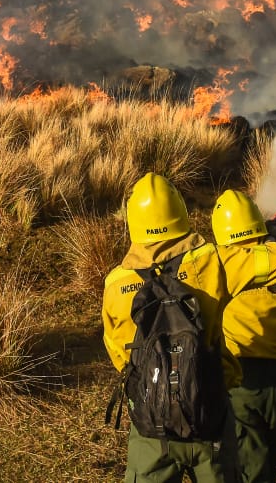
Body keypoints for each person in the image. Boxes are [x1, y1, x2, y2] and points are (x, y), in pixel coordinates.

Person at [103, 173, 241, 483]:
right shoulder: (211, 261)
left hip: (151, 423)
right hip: (209, 413)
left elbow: (118, 353)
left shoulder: (115, 284)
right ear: (179, 210)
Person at [211, 189, 276, 483]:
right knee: (257, 461)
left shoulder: (217, 260)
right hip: (264, 377)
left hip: (250, 377)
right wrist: (275, 242)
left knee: (263, 455)